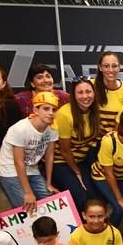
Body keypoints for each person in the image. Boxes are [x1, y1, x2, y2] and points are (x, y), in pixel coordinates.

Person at [0, 91, 59, 211]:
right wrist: (28, 192)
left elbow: (50, 156)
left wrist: (49, 183)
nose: (51, 113)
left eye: (54, 109)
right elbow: (18, 163)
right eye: (46, 109)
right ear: (36, 110)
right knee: (27, 206)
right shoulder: (20, 129)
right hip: (10, 170)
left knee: (51, 200)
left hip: (32, 169)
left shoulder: (53, 129)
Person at [52, 78, 99, 213]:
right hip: (61, 162)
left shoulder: (94, 112)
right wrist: (77, 172)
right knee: (81, 198)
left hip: (81, 160)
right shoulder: (65, 114)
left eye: (88, 92)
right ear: (73, 95)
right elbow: (65, 150)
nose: (85, 96)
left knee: (95, 196)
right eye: (80, 92)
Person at [93, 51, 123, 139]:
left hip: (119, 141)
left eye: (114, 66)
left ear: (119, 68)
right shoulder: (91, 87)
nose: (110, 70)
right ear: (100, 68)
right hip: (94, 143)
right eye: (106, 66)